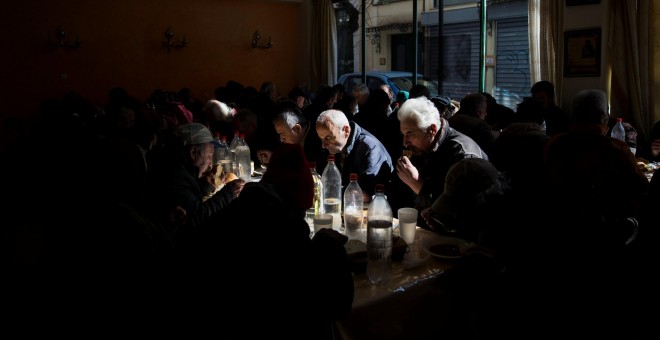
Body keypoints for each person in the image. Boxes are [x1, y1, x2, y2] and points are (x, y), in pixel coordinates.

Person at [181, 143, 354, 338]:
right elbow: (335, 304)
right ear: (295, 202)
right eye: (302, 210)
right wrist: (329, 244)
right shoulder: (286, 229)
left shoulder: (238, 209)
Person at [391, 96, 488, 228]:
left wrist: (417, 184)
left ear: (432, 130)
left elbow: (459, 212)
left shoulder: (462, 155)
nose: (405, 142)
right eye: (403, 134)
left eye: (410, 134)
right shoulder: (421, 148)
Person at [144, 122, 245, 248]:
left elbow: (187, 197)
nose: (209, 164)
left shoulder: (176, 166)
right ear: (194, 152)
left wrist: (204, 186)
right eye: (209, 157)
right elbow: (197, 218)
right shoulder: (172, 175)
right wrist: (229, 192)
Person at [316, 109, 394, 202]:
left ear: (346, 131)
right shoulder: (335, 147)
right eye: (321, 139)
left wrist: (326, 190)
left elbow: (362, 194)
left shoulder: (370, 149)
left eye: (328, 137)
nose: (323, 145)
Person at [272, 101, 327, 171]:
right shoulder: (295, 139)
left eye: (282, 134)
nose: (281, 140)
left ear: (297, 129)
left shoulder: (319, 140)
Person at [448, 92, 495, 157]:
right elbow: (492, 151)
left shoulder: (449, 121)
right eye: (485, 111)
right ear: (479, 112)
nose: (486, 114)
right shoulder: (480, 126)